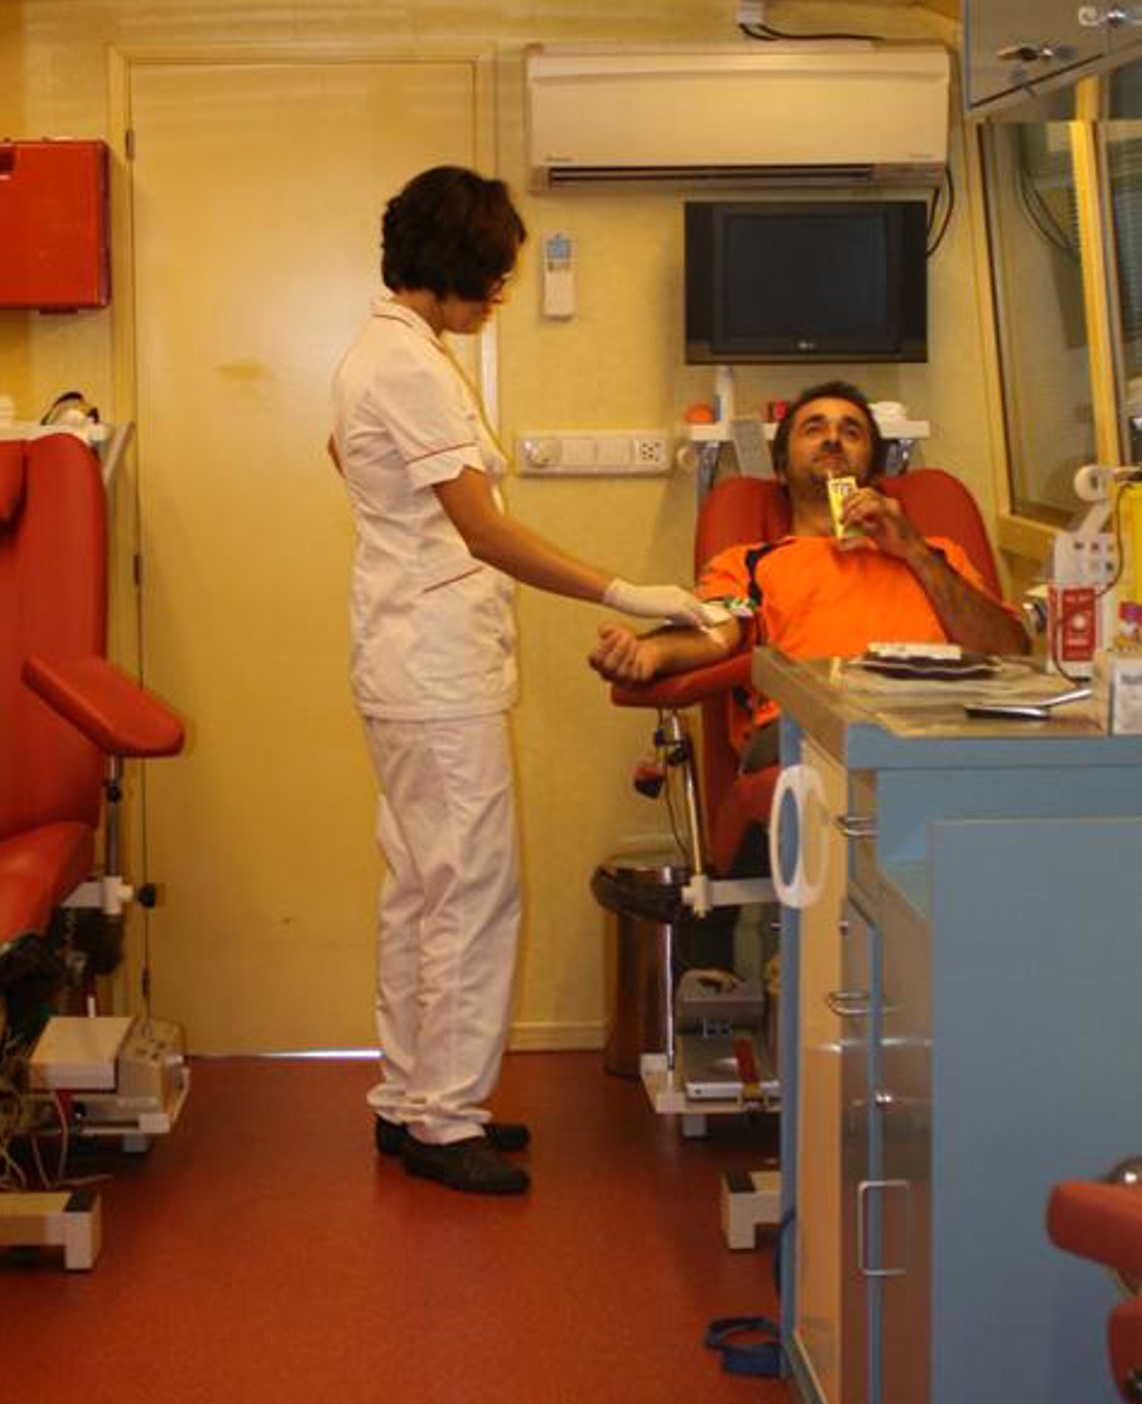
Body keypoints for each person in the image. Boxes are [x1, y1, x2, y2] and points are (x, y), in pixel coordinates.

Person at [331, 166, 711, 1197]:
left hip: (405, 657)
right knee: (471, 887)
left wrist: (402, 542)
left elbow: (344, 455)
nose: (497, 297)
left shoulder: (379, 352)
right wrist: (628, 589)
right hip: (435, 671)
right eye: (493, 278)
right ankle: (445, 1120)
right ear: (452, 266)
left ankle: (411, 1094)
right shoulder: (409, 365)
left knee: (422, 883)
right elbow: (486, 532)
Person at [587, 379, 1029, 761]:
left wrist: (912, 550)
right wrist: (650, 652)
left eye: (851, 431)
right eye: (814, 428)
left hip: (941, 726)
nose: (833, 439)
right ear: (780, 469)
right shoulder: (749, 563)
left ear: (875, 471)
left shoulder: (937, 555)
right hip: (811, 733)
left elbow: (1011, 652)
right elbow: (715, 629)